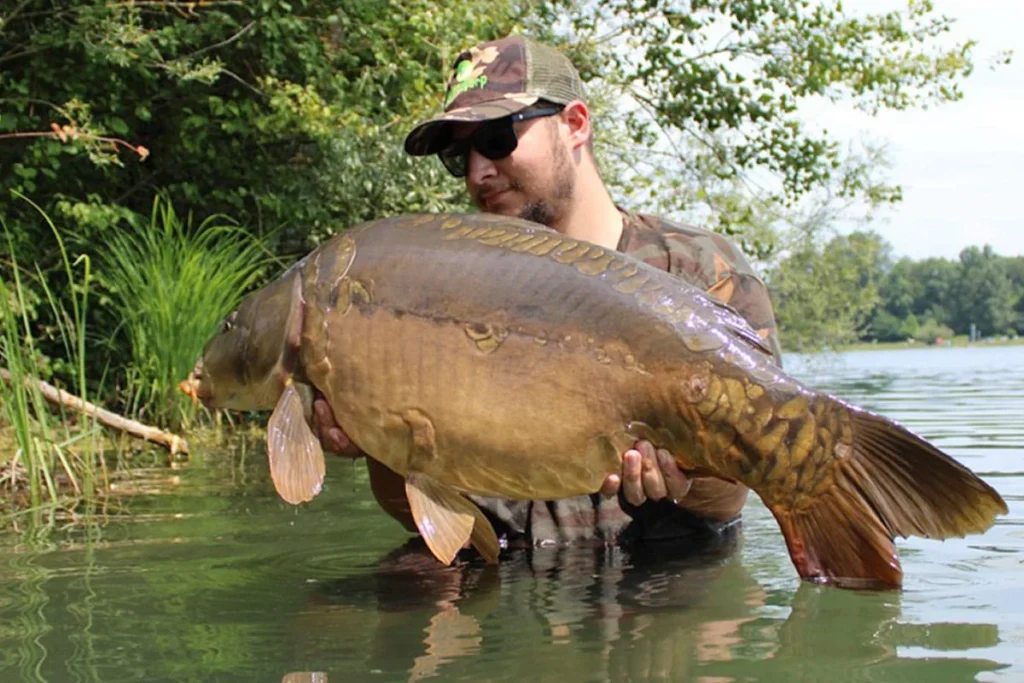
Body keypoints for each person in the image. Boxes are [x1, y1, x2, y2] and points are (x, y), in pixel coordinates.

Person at [312, 34, 783, 551]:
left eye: (496, 139)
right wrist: (375, 438)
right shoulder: (437, 293)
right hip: (498, 560)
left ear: (575, 124)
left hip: (659, 566)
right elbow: (427, 516)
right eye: (458, 155)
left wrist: (691, 482)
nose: (477, 173)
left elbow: (738, 496)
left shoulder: (700, 273)